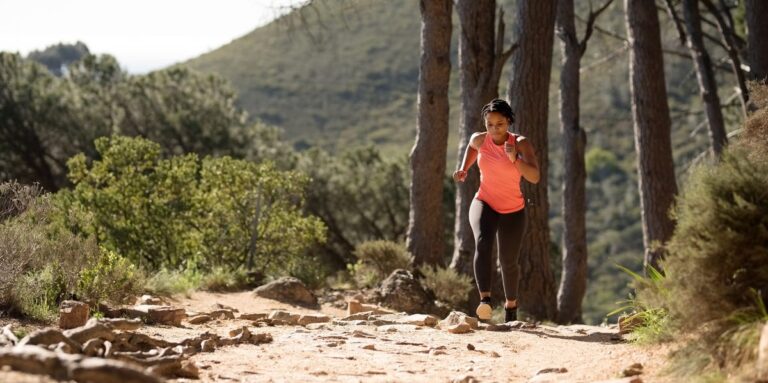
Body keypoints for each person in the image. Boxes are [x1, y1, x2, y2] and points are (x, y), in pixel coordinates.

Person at [453, 98, 540, 322]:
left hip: (513, 209)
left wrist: (514, 159)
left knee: (508, 261)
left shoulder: (521, 143)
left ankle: (511, 306)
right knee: (482, 242)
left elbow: (534, 177)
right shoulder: (479, 139)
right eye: (489, 124)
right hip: (484, 201)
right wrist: (463, 169)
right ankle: (485, 301)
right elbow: (472, 149)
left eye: (499, 124)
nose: (494, 129)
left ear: (509, 121)